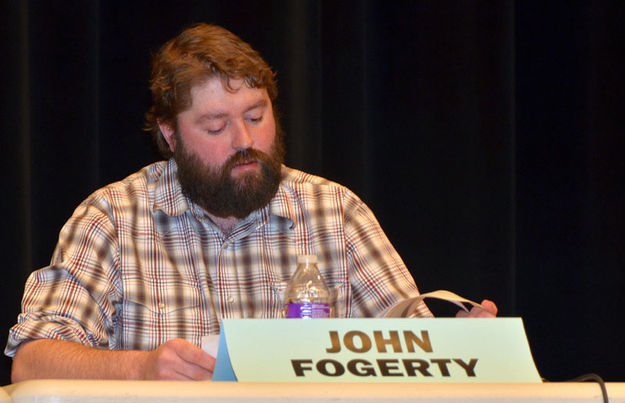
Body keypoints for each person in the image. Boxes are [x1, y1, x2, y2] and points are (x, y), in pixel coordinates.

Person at [5, 23, 497, 382]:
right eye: (216, 126)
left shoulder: (335, 212)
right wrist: (142, 367)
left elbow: (419, 354)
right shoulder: (112, 218)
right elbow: (33, 362)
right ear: (171, 136)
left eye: (256, 116)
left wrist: (463, 345)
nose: (246, 140)